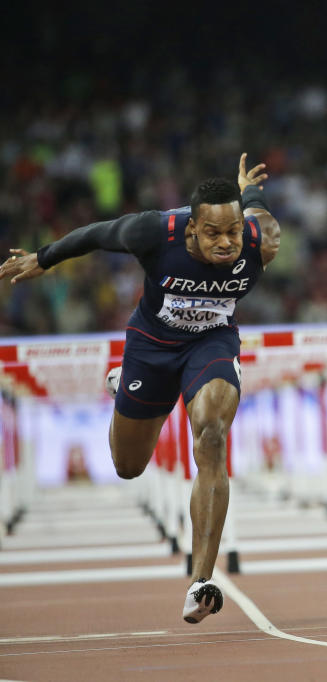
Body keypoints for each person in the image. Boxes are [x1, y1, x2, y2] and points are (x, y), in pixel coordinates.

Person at [0, 154, 280, 621]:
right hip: (151, 346)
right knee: (128, 466)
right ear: (192, 228)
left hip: (211, 342)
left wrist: (247, 192)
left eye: (233, 231)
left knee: (211, 434)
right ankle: (121, 390)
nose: (227, 242)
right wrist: (43, 258)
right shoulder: (155, 231)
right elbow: (95, 233)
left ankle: (201, 581)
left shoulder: (262, 240)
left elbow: (254, 211)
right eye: (213, 233)